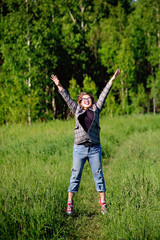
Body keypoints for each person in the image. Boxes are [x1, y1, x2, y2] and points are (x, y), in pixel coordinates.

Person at [50, 69, 120, 215]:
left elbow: (104, 94)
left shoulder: (96, 109)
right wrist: (59, 85)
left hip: (94, 149)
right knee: (75, 176)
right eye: (84, 99)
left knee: (99, 175)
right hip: (79, 149)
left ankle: (103, 204)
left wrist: (112, 79)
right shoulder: (76, 110)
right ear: (80, 102)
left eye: (89, 98)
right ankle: (69, 204)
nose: (87, 100)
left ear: (91, 101)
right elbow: (66, 97)